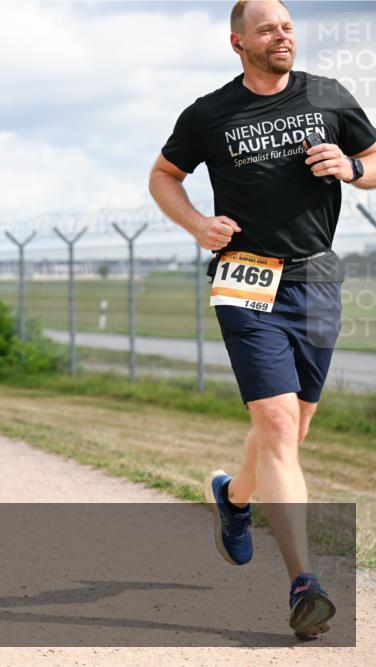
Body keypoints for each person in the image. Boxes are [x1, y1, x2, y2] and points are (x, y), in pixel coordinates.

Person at [148, 0, 376, 640]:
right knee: (274, 422)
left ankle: (235, 497)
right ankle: (305, 584)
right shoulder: (210, 113)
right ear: (237, 42)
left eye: (289, 26)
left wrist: (354, 168)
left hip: (316, 276)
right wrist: (197, 224)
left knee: (292, 432)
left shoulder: (328, 97)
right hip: (243, 271)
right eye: (268, 28)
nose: (283, 35)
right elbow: (164, 176)